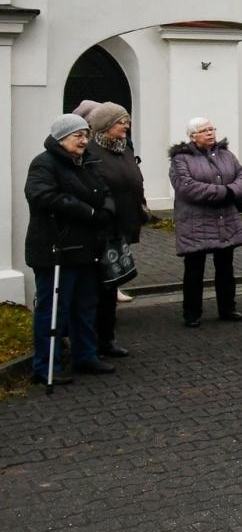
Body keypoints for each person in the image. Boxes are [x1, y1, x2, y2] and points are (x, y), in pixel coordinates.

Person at [24, 114, 117, 384]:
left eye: (85, 135)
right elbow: (43, 197)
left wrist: (108, 208)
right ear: (61, 138)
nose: (84, 140)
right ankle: (45, 366)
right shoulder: (44, 164)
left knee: (85, 306)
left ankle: (85, 355)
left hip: (87, 249)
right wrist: (88, 212)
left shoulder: (85, 161)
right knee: (54, 310)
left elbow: (103, 188)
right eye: (78, 136)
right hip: (57, 250)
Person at [168, 118, 242, 327]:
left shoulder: (226, 154)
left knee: (225, 267)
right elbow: (187, 187)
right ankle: (192, 313)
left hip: (225, 220)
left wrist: (234, 190)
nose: (210, 133)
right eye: (203, 130)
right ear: (192, 136)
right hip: (196, 222)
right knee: (194, 269)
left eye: (212, 129)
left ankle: (227, 308)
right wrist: (224, 192)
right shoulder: (181, 160)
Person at [81, 102, 148, 358]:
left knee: (111, 286)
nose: (127, 126)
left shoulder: (123, 149)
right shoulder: (90, 151)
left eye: (127, 121)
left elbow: (133, 179)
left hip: (120, 228)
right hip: (99, 230)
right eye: (122, 121)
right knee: (97, 289)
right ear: (106, 125)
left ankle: (107, 340)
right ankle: (91, 343)